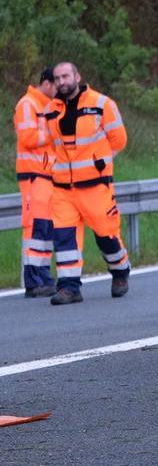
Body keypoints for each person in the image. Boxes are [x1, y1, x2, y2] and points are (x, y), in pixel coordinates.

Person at [43, 62, 130, 305]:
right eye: (57, 78)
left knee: (106, 233)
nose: (62, 81)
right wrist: (51, 167)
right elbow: (49, 145)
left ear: (77, 77)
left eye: (66, 76)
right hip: (62, 188)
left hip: (95, 186)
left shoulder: (101, 104)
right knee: (64, 237)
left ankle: (120, 271)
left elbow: (119, 140)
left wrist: (99, 162)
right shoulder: (51, 110)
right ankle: (69, 287)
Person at [15, 68, 59, 297]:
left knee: (45, 229)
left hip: (48, 177)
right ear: (46, 83)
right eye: (55, 86)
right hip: (33, 176)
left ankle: (43, 277)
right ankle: (32, 280)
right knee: (34, 229)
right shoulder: (27, 104)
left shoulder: (48, 107)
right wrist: (53, 133)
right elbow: (28, 138)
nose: (57, 91)